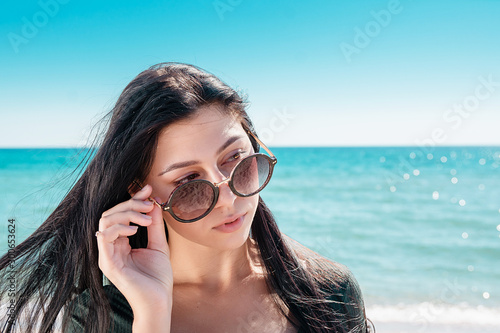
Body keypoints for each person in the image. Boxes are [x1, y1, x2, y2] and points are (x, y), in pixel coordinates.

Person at [0, 63, 372, 332]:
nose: (228, 198)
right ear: (139, 191)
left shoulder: (328, 292)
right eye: (190, 181)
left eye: (237, 160)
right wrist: (152, 313)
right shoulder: (101, 317)